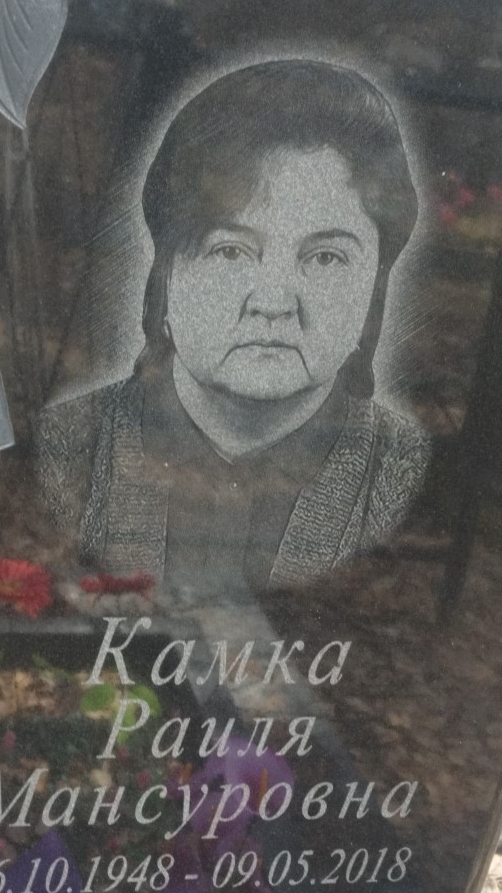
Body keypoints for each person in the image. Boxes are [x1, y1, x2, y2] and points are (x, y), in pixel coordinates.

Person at [38, 58, 429, 596]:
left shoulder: (409, 473)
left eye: (326, 257)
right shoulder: (67, 446)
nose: (273, 303)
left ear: (375, 281)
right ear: (166, 270)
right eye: (230, 251)